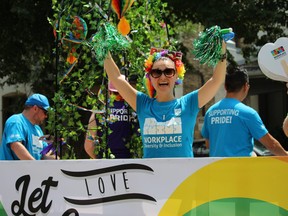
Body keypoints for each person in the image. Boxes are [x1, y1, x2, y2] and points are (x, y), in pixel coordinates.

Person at [103, 41, 227, 158]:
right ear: (150, 77)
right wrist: (103, 47)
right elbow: (117, 77)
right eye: (156, 72)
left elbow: (216, 81)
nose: (162, 77)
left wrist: (222, 51)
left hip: (184, 179)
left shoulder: (188, 104)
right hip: (152, 178)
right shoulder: (142, 104)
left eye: (168, 71)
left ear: (177, 75)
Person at [201, 66, 288, 157]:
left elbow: (208, 144)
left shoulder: (210, 112)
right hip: (241, 169)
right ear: (246, 86)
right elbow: (271, 145)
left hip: (216, 168)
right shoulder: (248, 113)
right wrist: (285, 155)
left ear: (225, 86)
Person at [84, 75, 139, 159]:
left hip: (106, 162)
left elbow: (89, 145)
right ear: (127, 89)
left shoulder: (99, 111)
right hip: (130, 163)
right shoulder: (136, 109)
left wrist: (99, 159)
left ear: (109, 92)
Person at [0, 93, 56, 160]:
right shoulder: (16, 121)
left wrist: (55, 156)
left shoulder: (38, 129)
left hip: (30, 170)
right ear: (35, 108)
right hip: (12, 170)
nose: (46, 116)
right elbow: (16, 146)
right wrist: (35, 167)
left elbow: (43, 155)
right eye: (45, 112)